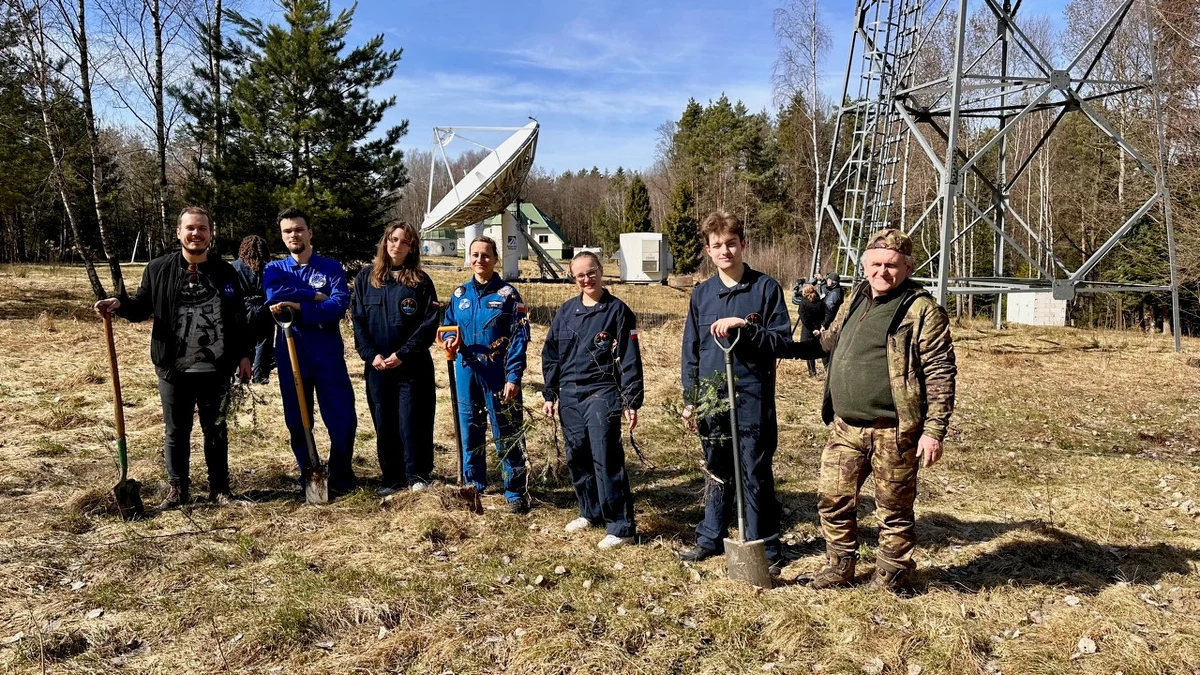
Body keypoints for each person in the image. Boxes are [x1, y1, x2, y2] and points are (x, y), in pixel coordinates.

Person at [797, 228, 957, 591]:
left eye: (891, 265)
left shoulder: (921, 310)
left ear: (907, 267)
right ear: (864, 265)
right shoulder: (857, 298)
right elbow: (827, 342)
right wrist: (768, 344)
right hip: (845, 427)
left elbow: (940, 372)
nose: (882, 272)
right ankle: (840, 566)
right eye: (875, 264)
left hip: (894, 431)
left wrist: (933, 431)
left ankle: (891, 575)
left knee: (893, 509)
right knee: (832, 498)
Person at [93, 206, 252, 509]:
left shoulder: (225, 272)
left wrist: (244, 355)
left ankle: (220, 489)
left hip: (216, 368)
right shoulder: (158, 269)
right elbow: (141, 306)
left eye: (202, 228)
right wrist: (119, 305)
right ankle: (178, 489)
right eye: (190, 228)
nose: (196, 233)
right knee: (176, 432)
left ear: (211, 233)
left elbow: (238, 318)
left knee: (216, 430)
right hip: (173, 369)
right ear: (179, 232)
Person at [678, 210, 794, 575]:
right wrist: (690, 398)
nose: (725, 251)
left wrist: (746, 327)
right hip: (712, 399)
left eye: (731, 243)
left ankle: (765, 546)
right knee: (716, 467)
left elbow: (782, 342)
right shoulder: (701, 294)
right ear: (709, 251)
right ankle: (710, 537)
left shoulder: (765, 289)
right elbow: (691, 350)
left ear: (743, 244)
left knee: (754, 469)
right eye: (717, 246)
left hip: (752, 396)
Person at [541, 251, 643, 550]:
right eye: (580, 275)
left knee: (605, 455)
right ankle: (590, 511)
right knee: (578, 455)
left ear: (601, 271)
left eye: (591, 272)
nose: (587, 279)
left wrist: (631, 399)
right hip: (570, 394)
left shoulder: (617, 311)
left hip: (603, 392)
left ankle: (621, 526)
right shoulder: (566, 311)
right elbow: (552, 354)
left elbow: (629, 358)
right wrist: (550, 392)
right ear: (574, 278)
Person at [263, 207, 358, 495]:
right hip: (292, 353)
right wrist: (315, 296)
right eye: (287, 231)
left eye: (299, 229)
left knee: (343, 418)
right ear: (282, 236)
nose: (294, 235)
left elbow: (338, 305)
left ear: (309, 232)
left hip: (327, 354)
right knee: (297, 420)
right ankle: (309, 472)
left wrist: (299, 308)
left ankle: (341, 474)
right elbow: (274, 295)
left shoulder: (330, 268)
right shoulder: (274, 269)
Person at [441, 236, 531, 514]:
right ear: (469, 258)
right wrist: (448, 342)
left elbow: (519, 336)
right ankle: (474, 484)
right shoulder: (459, 295)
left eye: (486, 255)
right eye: (475, 255)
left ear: (495, 259)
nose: (480, 260)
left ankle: (515, 490)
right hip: (467, 372)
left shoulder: (508, 295)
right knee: (470, 430)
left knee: (506, 431)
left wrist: (513, 376)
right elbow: (447, 327)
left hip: (498, 373)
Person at [351, 221, 440, 496]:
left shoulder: (421, 282)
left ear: (412, 247)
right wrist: (371, 355)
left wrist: (403, 354)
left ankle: (417, 475)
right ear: (384, 242)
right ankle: (391, 478)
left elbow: (429, 324)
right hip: (378, 368)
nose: (396, 246)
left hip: (411, 367)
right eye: (392, 239)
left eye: (403, 241)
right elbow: (359, 322)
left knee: (412, 421)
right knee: (384, 421)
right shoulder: (367, 279)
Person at [232, 235, 275, 384]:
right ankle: (260, 376)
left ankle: (241, 374)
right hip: (264, 307)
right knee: (263, 342)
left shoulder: (235, 266)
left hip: (243, 307)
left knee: (242, 342)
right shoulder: (268, 267)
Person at [795, 283, 827, 377]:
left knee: (808, 351)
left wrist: (812, 329)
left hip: (808, 330)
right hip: (818, 329)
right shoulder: (820, 303)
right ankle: (823, 369)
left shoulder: (804, 303)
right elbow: (825, 314)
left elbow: (803, 318)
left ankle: (812, 372)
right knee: (819, 350)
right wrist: (821, 326)